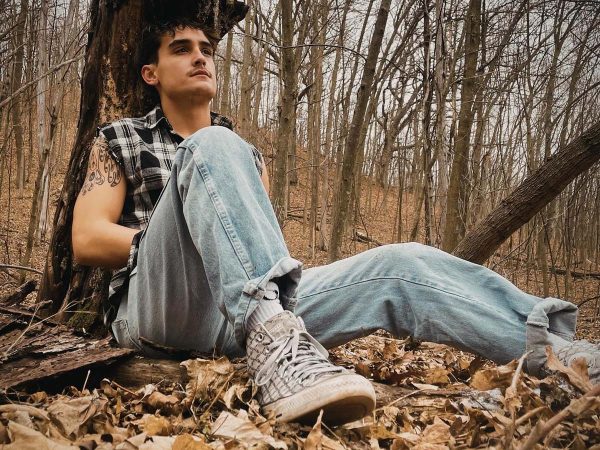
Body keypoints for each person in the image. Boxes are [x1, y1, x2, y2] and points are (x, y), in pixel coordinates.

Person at [71, 18, 599, 425]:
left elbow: (261, 249)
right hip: (162, 304)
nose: (200, 58)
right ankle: (276, 348)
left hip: (243, 312)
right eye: (181, 50)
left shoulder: (244, 154)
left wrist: (247, 274)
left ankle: (559, 353)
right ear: (151, 73)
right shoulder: (122, 138)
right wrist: (198, 236)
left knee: (401, 263)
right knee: (211, 144)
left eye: (207, 50)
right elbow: (88, 238)